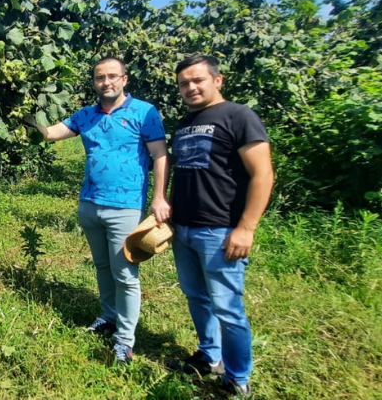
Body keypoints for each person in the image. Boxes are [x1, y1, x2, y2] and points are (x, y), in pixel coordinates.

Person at [26, 56, 170, 364]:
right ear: (94, 82)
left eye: (112, 76)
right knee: (103, 267)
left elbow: (160, 154)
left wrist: (159, 197)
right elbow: (49, 134)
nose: (106, 82)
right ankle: (109, 316)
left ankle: (125, 341)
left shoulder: (144, 112)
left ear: (124, 79)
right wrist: (21, 115)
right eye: (100, 77)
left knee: (125, 274)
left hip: (125, 206)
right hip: (90, 203)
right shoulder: (86, 115)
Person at [170, 55, 274, 397]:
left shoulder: (239, 116)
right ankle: (209, 355)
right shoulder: (185, 122)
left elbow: (263, 174)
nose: (190, 87)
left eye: (197, 80)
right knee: (196, 296)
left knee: (228, 308)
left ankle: (237, 378)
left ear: (218, 80)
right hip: (183, 228)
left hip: (220, 230)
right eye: (184, 83)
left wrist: (246, 228)